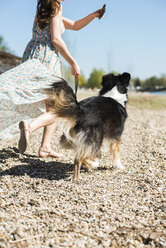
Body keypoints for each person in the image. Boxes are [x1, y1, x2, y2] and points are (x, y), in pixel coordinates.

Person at [0, 0, 105, 158]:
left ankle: (45, 147)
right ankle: (30, 126)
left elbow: (75, 25)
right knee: (59, 108)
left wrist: (94, 15)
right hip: (47, 58)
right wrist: (73, 62)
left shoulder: (44, 8)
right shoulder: (56, 6)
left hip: (32, 55)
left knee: (52, 106)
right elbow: (56, 39)